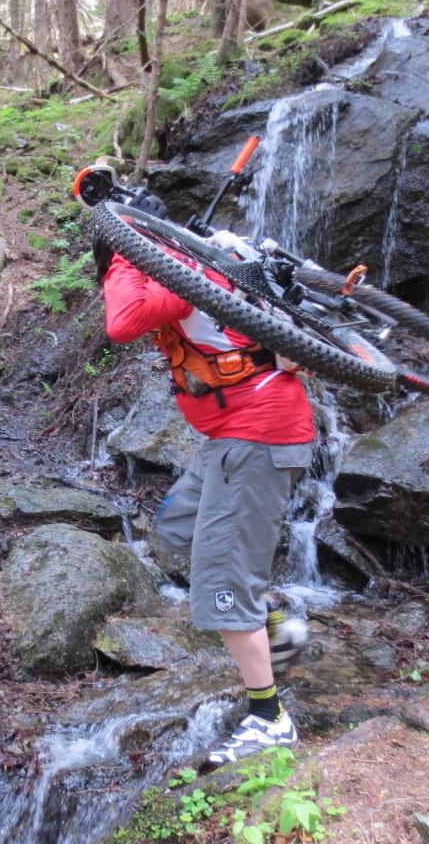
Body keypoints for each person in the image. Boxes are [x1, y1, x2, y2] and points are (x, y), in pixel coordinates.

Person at [96, 194, 314, 767]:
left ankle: (268, 718)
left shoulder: (184, 275)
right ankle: (276, 622)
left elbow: (122, 322)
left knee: (218, 579)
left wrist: (121, 254)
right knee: (174, 530)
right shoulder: (210, 268)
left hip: (255, 440)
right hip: (236, 441)